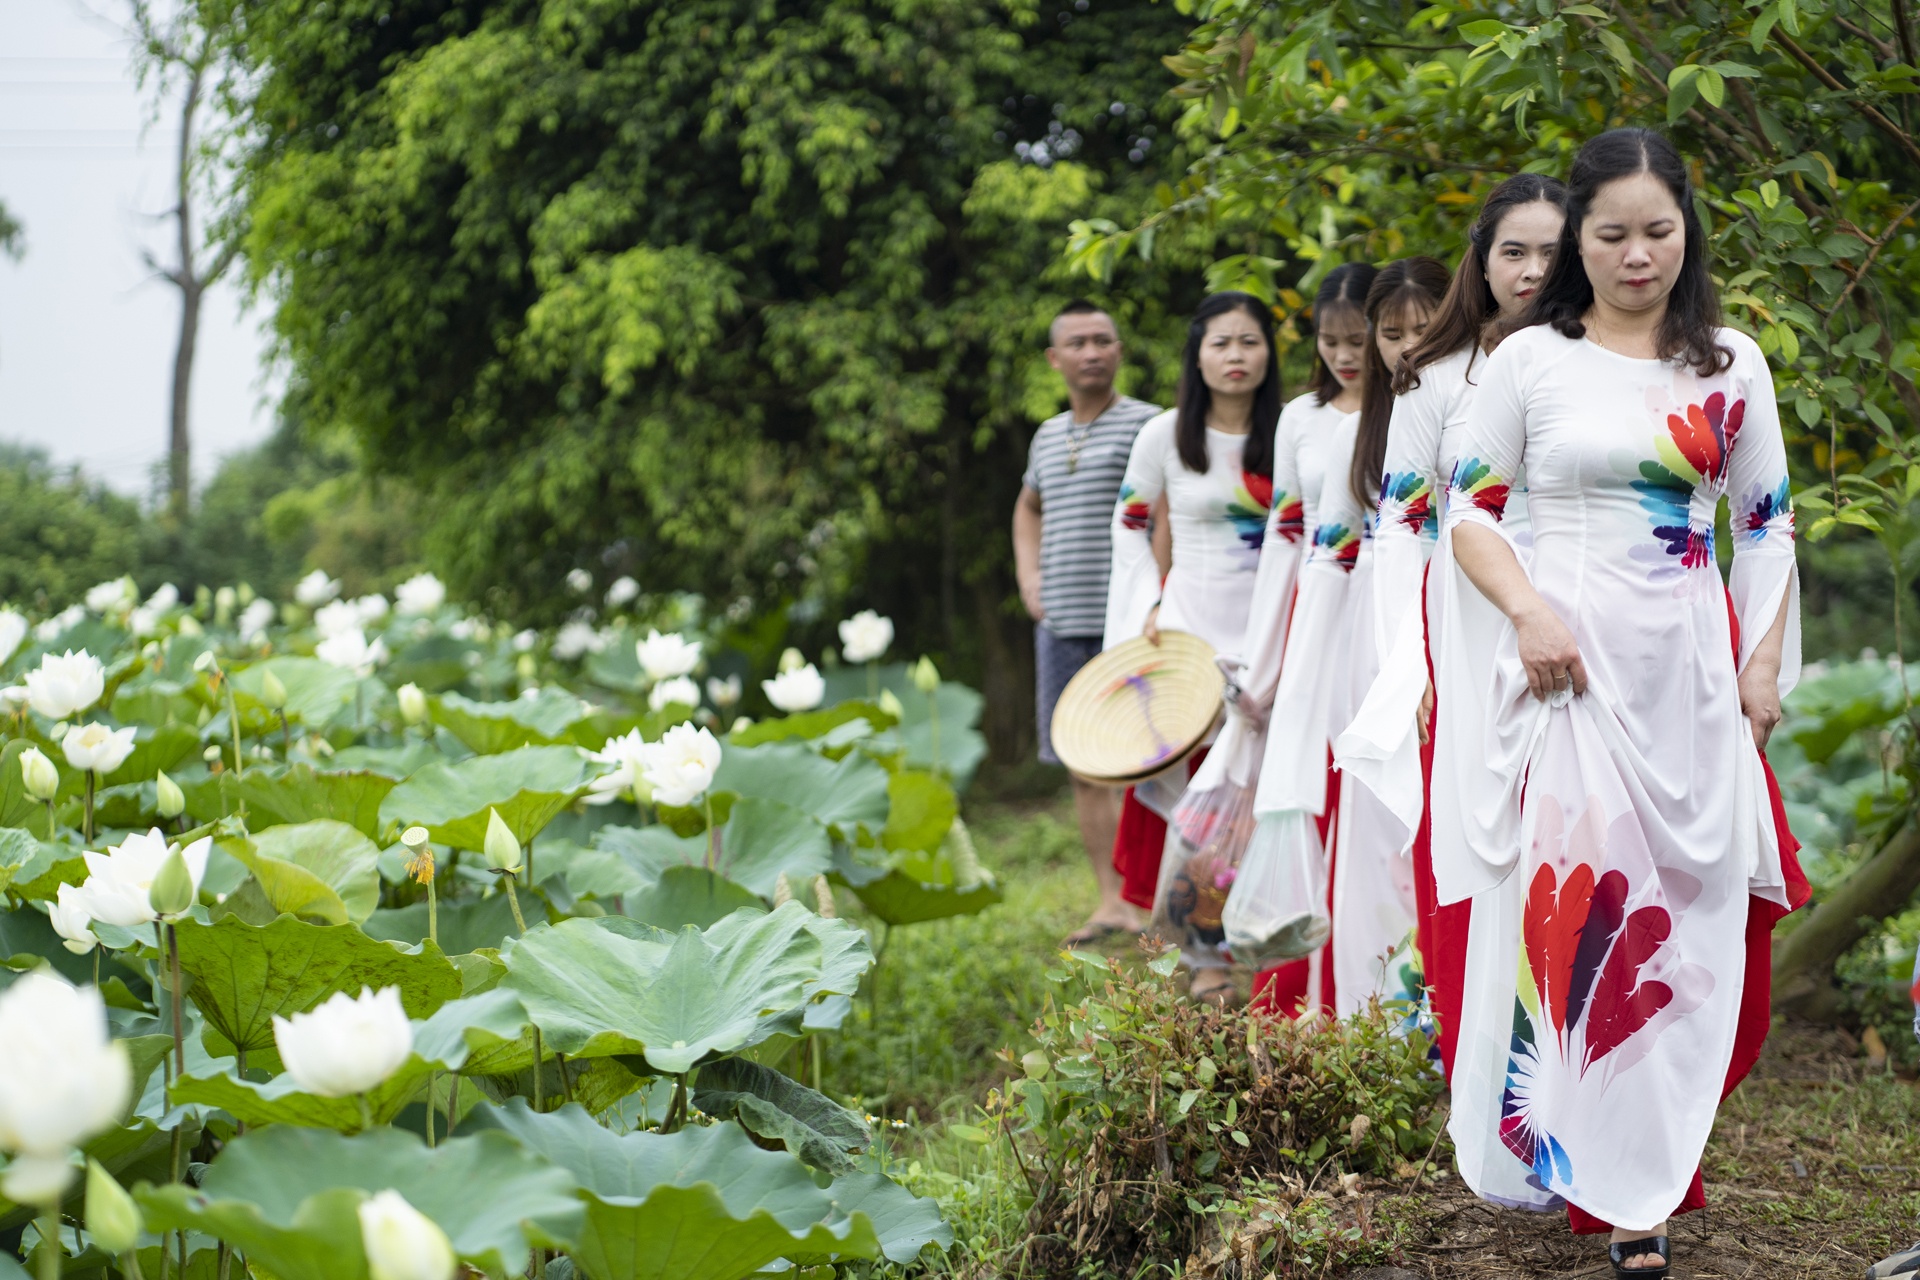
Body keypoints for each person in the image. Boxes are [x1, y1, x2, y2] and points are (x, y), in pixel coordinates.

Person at [1433, 128, 1805, 1278]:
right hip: (1570, 682)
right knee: (1589, 918)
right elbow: (1467, 508)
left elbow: (1768, 523)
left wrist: (1759, 668)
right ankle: (1622, 1203)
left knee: (1683, 927)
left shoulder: (1732, 364)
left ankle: (1649, 1169)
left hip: (1690, 680)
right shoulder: (1529, 363)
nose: (1637, 254)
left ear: (1686, 231)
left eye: (1657, 230)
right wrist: (1528, 612)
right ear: (1576, 244)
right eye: (1611, 234)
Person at [1334, 172, 1568, 1072]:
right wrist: (1413, 661)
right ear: (1482, 258)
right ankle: (1483, 1060)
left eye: (1552, 251)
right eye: (1514, 251)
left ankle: (1577, 1057)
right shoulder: (1435, 378)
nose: (1533, 270)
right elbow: (1401, 524)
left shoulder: (1608, 365)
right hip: (1465, 627)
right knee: (1480, 837)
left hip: (1583, 618)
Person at [1237, 259, 1450, 1017]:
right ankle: (1382, 1012)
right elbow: (1316, 551)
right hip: (1369, 626)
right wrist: (1278, 672)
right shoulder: (1340, 429)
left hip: (1469, 613)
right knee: (1378, 818)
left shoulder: (1492, 400)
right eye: (1388, 333)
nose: (1402, 348)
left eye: (1420, 329)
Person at [1103, 291, 1280, 1004]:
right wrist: (1145, 605)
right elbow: (1129, 523)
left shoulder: (1293, 430)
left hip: (1273, 640)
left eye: (1249, 341)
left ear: (1269, 353)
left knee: (1265, 800)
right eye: (1220, 343)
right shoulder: (1164, 436)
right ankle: (1206, 956)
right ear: (1197, 355)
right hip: (1187, 644)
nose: (1235, 356)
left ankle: (1273, 949)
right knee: (1199, 804)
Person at [1014, 300, 1163, 946]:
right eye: (1077, 343)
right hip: (1061, 622)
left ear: (1120, 350)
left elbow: (1170, 509)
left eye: (1103, 340)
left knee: (1148, 761)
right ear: (1055, 359)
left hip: (1128, 626)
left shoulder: (1149, 424)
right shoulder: (1047, 435)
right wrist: (1029, 577)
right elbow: (1028, 506)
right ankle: (1112, 903)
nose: (1092, 352)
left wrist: (1158, 594)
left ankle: (1155, 898)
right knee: (1082, 765)